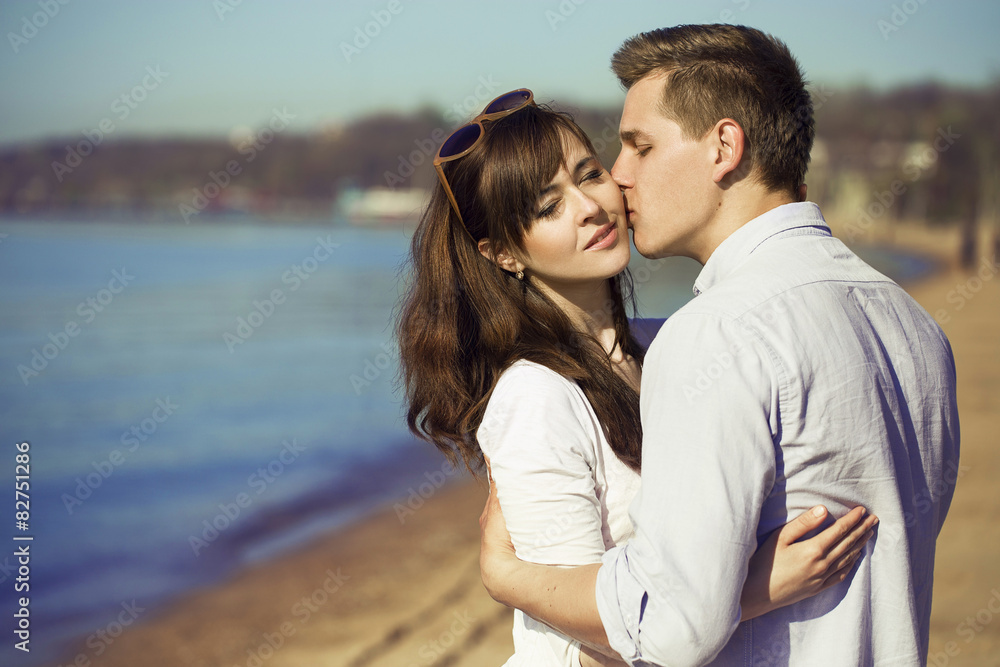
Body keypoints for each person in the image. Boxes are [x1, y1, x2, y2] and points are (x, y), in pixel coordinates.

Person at [478, 24, 961, 666]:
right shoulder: (913, 324)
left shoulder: (715, 334)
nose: (617, 180)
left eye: (639, 148)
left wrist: (508, 578)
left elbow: (674, 625)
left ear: (724, 147)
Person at [397, 88, 878, 667]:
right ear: (504, 255)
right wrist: (756, 590)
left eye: (588, 174)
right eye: (548, 207)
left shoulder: (672, 342)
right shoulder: (536, 395)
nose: (589, 207)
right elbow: (590, 642)